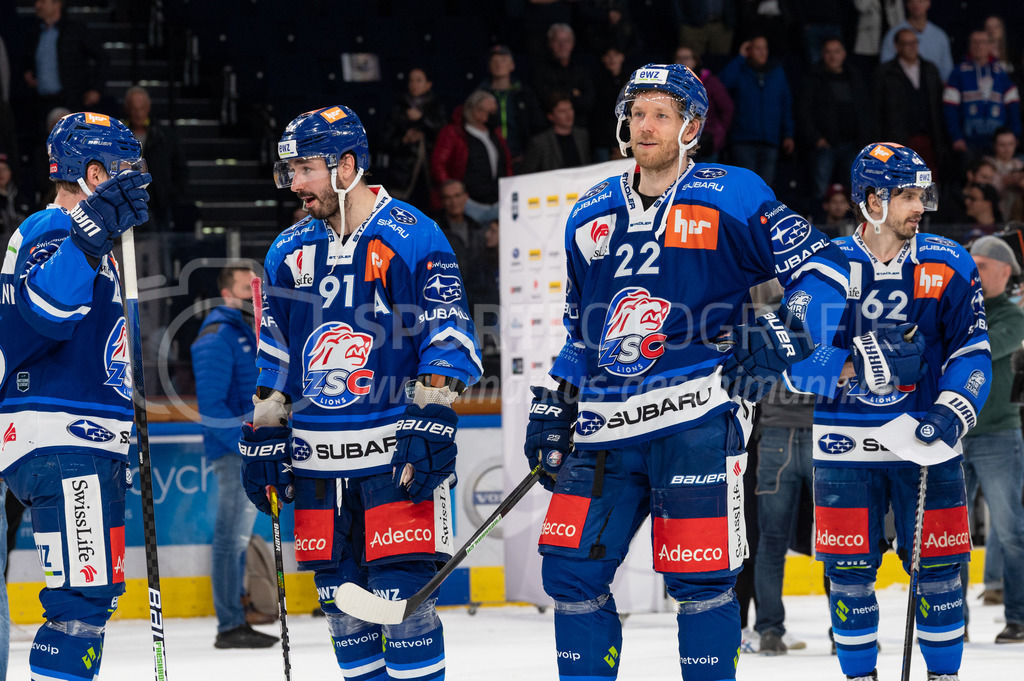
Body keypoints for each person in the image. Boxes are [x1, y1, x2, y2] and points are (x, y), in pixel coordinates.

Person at [524, 63, 850, 681]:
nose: (645, 126)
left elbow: (829, 270)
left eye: (661, 115)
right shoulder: (588, 213)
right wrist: (556, 397)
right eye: (637, 113)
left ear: (691, 126)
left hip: (696, 418)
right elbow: (581, 327)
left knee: (700, 581)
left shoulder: (734, 193)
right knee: (568, 573)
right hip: (601, 430)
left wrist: (786, 332)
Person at [240, 105, 482, 679]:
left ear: (347, 165)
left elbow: (449, 336)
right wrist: (265, 431)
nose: (294, 183)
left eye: (305, 169)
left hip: (395, 463)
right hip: (319, 467)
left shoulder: (413, 233)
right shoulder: (287, 250)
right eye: (289, 171)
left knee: (404, 616)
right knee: (346, 625)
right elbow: (275, 354)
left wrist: (432, 415)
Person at [789, 142, 991, 681]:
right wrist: (860, 361)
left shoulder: (948, 261)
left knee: (944, 574)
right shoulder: (826, 266)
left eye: (921, 193)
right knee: (849, 576)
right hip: (845, 445)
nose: (919, 204)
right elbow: (794, 365)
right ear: (871, 200)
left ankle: (943, 676)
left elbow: (972, 352)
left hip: (928, 443)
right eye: (906, 194)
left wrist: (951, 412)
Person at [0, 112, 151, 681]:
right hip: (63, 440)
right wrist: (87, 237)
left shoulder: (97, 242)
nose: (135, 179)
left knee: (91, 600)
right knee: (79, 605)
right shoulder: (53, 227)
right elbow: (46, 314)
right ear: (93, 171)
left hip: (82, 439)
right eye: (125, 168)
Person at [191, 264, 278, 649]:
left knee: (239, 538)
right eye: (247, 289)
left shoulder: (247, 331)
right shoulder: (216, 336)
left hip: (251, 449)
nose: (254, 296)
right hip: (234, 453)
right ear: (227, 293)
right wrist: (246, 447)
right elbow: (211, 406)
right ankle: (229, 624)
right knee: (230, 538)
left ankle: (237, 615)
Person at [959, 235, 1024, 643]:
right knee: (949, 536)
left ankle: (1018, 616)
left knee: (1011, 531)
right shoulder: (961, 310)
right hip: (954, 436)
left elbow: (984, 346)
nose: (973, 272)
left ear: (1005, 271)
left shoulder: (1013, 317)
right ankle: (953, 621)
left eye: (981, 266)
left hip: (998, 434)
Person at [797, 38, 871, 199]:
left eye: (836, 51)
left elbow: (864, 109)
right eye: (828, 52)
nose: (833, 56)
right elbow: (803, 110)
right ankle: (819, 222)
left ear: (844, 54)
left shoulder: (854, 76)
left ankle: (857, 224)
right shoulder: (813, 77)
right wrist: (815, 137)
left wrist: (863, 139)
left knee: (857, 190)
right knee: (820, 189)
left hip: (852, 144)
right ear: (822, 55)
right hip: (825, 145)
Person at [718, 36, 795, 186]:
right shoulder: (741, 70)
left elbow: (785, 103)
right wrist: (740, 57)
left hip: (770, 140)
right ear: (749, 50)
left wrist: (788, 134)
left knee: (765, 189)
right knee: (745, 186)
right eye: (757, 48)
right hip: (743, 140)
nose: (761, 52)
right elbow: (721, 84)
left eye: (764, 48)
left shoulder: (777, 72)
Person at [431, 90, 512, 224]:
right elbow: (438, 165)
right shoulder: (453, 133)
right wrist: (454, 195)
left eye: (495, 111)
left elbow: (506, 164)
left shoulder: (495, 134)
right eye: (489, 111)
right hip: (469, 205)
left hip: (498, 202)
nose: (493, 115)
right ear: (475, 111)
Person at [875, 28, 946, 174]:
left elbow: (938, 104)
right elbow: (878, 109)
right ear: (897, 46)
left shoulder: (930, 69)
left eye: (914, 42)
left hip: (929, 137)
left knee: (929, 179)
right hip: (899, 138)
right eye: (907, 43)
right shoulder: (885, 72)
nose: (912, 47)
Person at [943, 30, 1021, 160]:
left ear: (990, 45)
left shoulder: (1001, 72)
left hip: (997, 143)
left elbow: (1013, 106)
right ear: (969, 45)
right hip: (968, 142)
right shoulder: (958, 73)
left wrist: (1014, 135)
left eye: (983, 42)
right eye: (975, 42)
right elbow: (950, 109)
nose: (979, 46)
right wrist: (956, 137)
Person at [123, 85, 189, 231]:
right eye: (134, 108)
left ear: (148, 108)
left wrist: (172, 195)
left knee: (161, 247)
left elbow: (180, 168)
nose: (138, 113)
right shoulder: (119, 135)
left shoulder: (164, 135)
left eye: (142, 108)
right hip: (127, 202)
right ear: (127, 108)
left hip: (159, 204)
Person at [383, 67, 446, 209]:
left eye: (419, 80)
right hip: (402, 174)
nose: (414, 84)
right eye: (411, 80)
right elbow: (384, 142)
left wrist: (422, 119)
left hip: (429, 172)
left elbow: (443, 134)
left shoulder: (437, 107)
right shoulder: (397, 108)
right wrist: (404, 141)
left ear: (428, 84)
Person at [478, 45, 542, 173]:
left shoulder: (524, 93)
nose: (499, 65)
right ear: (488, 66)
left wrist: (530, 153)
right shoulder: (480, 96)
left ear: (512, 65)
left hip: (522, 156)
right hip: (492, 158)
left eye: (503, 60)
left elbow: (536, 124)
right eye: (494, 61)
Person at [674, 45, 733, 163]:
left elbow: (727, 108)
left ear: (695, 60)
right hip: (678, 143)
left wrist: (718, 136)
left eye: (686, 58)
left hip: (705, 143)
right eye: (678, 58)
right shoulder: (671, 84)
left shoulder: (710, 81)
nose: (682, 62)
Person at [531, 24, 596, 129]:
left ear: (572, 44)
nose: (562, 45)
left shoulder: (581, 70)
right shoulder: (540, 70)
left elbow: (588, 102)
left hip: (580, 128)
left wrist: (560, 94)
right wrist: (574, 94)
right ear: (550, 43)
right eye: (557, 41)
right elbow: (545, 100)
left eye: (566, 41)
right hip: (549, 129)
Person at [879, 0, 954, 81]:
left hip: (933, 89)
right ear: (906, 5)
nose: (916, 5)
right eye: (911, 1)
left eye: (920, 1)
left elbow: (946, 74)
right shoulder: (893, 34)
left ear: (928, 3)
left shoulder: (940, 36)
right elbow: (886, 70)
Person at [521, 93, 591, 174]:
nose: (569, 114)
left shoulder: (582, 135)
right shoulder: (539, 142)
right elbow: (528, 173)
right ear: (551, 116)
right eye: (562, 111)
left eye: (570, 109)